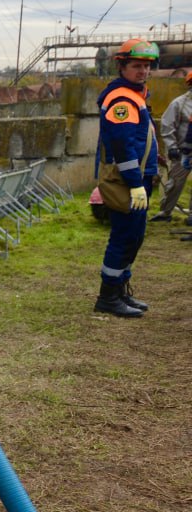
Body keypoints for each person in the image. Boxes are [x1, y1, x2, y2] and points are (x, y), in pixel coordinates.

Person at [92, 38, 161, 317]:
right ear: (122, 66)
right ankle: (108, 297)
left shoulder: (135, 94)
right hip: (127, 181)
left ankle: (120, 289)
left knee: (134, 237)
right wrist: (134, 183)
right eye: (136, 66)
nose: (142, 71)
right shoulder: (121, 99)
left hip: (138, 179)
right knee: (124, 237)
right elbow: (123, 145)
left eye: (146, 66)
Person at [153, 69, 192, 223]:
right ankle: (165, 212)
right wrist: (172, 147)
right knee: (175, 184)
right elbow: (167, 125)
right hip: (184, 153)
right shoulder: (179, 104)